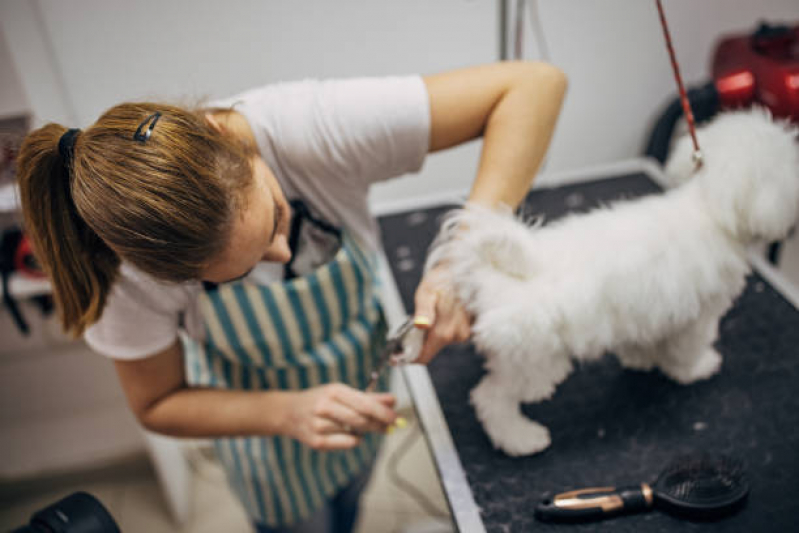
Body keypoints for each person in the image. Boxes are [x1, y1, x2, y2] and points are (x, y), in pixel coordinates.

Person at [16, 61, 566, 532]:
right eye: (245, 268)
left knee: (352, 504)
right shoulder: (121, 273)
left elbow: (535, 85)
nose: (282, 256)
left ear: (229, 137)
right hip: (267, 445)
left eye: (278, 218)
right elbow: (156, 404)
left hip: (360, 386)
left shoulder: (306, 127)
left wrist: (459, 257)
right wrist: (287, 412)